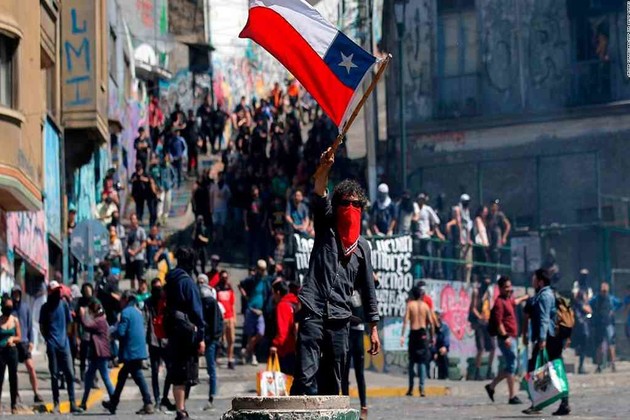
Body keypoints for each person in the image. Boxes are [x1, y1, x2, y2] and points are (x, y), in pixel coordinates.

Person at [291, 148, 380, 396]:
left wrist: (373, 327)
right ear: (336, 205)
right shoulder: (326, 226)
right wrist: (324, 167)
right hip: (313, 307)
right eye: (345, 203)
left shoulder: (362, 247)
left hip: (341, 316)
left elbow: (368, 290)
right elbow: (319, 190)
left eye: (355, 204)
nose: (350, 208)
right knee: (305, 376)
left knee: (332, 382)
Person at [164, 247, 206, 420]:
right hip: (188, 333)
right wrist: (201, 336)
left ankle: (180, 408)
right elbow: (197, 311)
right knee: (185, 373)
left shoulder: (170, 280)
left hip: (173, 330)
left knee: (177, 373)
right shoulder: (187, 282)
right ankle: (181, 410)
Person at [523, 269, 569, 416]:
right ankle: (561, 402)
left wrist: (542, 339)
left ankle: (538, 404)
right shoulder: (547, 294)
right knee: (554, 368)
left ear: (540, 281)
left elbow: (544, 319)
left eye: (534, 279)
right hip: (552, 337)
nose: (532, 281)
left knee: (534, 369)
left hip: (548, 338)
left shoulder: (544, 296)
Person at [103, 291, 154, 415]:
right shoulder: (137, 312)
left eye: (121, 299)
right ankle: (113, 403)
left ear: (126, 299)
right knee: (122, 376)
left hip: (131, 351)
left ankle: (148, 402)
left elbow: (121, 332)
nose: (120, 302)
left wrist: (112, 334)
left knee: (138, 376)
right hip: (138, 349)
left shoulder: (125, 312)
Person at [39, 281, 83, 413]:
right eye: (55, 291)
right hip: (52, 345)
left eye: (59, 290)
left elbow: (70, 323)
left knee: (70, 373)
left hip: (64, 345)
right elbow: (42, 327)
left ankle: (72, 403)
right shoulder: (45, 308)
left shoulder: (64, 305)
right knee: (54, 375)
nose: (58, 293)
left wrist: (67, 337)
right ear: (50, 293)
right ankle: (56, 403)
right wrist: (48, 339)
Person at [484, 276, 528, 405]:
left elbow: (515, 302)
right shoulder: (499, 302)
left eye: (510, 286)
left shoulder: (507, 300)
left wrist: (525, 297)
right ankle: (512, 396)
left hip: (512, 337)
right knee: (512, 365)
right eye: (506, 287)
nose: (509, 289)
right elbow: (499, 323)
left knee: (511, 365)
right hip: (507, 338)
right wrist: (505, 337)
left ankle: (491, 386)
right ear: (500, 288)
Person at [145, 278, 176, 412]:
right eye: (155, 288)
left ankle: (164, 397)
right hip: (153, 340)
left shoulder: (166, 301)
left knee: (170, 369)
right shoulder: (148, 302)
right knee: (154, 371)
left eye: (159, 288)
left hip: (165, 340)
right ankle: (157, 398)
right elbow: (145, 320)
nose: (158, 291)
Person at [79, 299, 115, 411]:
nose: (89, 313)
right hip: (96, 353)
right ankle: (83, 403)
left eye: (89, 311)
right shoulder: (100, 320)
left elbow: (87, 326)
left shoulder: (100, 321)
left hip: (101, 354)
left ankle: (114, 400)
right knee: (89, 378)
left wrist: (82, 315)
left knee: (105, 377)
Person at [10, 286, 43, 404]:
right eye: (14, 293)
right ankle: (15, 394)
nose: (16, 295)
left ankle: (36, 393)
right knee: (14, 371)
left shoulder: (25, 307)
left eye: (18, 293)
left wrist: (32, 341)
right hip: (13, 343)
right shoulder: (9, 309)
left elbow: (30, 325)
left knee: (31, 367)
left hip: (24, 342)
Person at [401, 286, 433, 397]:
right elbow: (431, 322)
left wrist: (402, 336)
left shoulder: (410, 305)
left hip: (414, 333)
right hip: (423, 334)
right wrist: (432, 337)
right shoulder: (425, 306)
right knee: (422, 362)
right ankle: (422, 388)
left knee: (412, 361)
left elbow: (405, 321)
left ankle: (411, 388)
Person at [238, 260, 271, 365]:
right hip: (251, 309)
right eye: (261, 269)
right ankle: (252, 355)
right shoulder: (252, 279)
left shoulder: (265, 280)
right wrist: (245, 296)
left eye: (264, 269)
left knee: (260, 332)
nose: (263, 271)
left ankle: (246, 350)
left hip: (260, 310)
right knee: (250, 333)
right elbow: (240, 285)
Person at [341, 290, 368, 419]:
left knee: (360, 374)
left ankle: (364, 406)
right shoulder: (345, 288)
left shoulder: (362, 289)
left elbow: (374, 284)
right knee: (344, 373)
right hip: (347, 334)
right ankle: (345, 406)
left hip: (358, 335)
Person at [200, 281, 223, 410]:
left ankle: (211, 397)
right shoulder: (211, 303)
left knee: (211, 369)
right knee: (210, 369)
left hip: (209, 340)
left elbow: (215, 324)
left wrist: (211, 338)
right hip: (209, 339)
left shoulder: (210, 303)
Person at [590, 282, 622, 373]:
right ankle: (599, 366)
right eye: (602, 291)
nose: (604, 293)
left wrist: (613, 310)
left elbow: (619, 303)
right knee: (599, 346)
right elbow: (589, 304)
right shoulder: (596, 299)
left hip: (608, 324)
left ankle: (613, 365)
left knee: (611, 345)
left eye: (605, 291)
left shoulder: (611, 299)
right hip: (599, 325)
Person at [469, 276, 496, 380]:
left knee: (492, 347)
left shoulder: (488, 293)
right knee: (480, 348)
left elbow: (489, 306)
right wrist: (480, 317)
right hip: (479, 323)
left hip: (487, 322)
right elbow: (473, 308)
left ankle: (489, 370)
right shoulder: (476, 292)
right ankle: (477, 371)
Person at [270, 281, 298, 375]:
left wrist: (275, 345)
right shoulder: (295, 302)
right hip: (297, 347)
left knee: (285, 378)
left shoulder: (282, 305)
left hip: (286, 349)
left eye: (273, 293)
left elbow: (283, 330)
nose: (273, 297)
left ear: (278, 292)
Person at [0, 297, 21, 414]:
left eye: (10, 306)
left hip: (12, 351)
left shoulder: (15, 320)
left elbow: (19, 337)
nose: (9, 308)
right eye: (7, 306)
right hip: (1, 351)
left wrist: (13, 338)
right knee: (0, 378)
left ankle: (14, 404)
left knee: (13, 378)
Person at [415, 193, 442, 278]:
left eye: (423, 199)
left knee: (428, 255)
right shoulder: (415, 208)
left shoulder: (427, 209)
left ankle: (429, 274)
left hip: (426, 236)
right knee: (419, 256)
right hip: (417, 236)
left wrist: (432, 231)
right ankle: (421, 275)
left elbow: (436, 221)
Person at [216, 271, 236, 369]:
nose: (225, 279)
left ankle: (230, 359)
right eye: (223, 277)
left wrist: (234, 318)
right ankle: (216, 358)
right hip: (221, 318)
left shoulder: (230, 289)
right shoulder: (217, 289)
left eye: (226, 277)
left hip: (230, 317)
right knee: (219, 339)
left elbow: (233, 305)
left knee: (231, 339)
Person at [572, 290, 592, 374]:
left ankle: (581, 366)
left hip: (577, 329)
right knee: (583, 348)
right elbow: (589, 310)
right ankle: (580, 367)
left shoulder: (575, 304)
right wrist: (587, 302)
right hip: (582, 329)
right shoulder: (580, 304)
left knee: (582, 348)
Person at [487, 199, 511, 268]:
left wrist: (504, 237)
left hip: (497, 236)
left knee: (497, 254)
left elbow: (508, 225)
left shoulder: (499, 215)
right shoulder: (489, 215)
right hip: (490, 236)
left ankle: (498, 270)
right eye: (493, 205)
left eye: (495, 205)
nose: (494, 207)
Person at [126, 213, 147, 290]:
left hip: (139, 256)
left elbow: (144, 244)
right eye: (131, 219)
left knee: (140, 277)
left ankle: (141, 291)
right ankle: (133, 291)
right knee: (131, 277)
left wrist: (135, 252)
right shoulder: (129, 232)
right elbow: (127, 244)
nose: (133, 221)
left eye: (134, 219)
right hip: (131, 257)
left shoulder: (141, 230)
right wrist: (129, 251)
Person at [210, 173, 231, 243]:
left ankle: (221, 239)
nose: (221, 178)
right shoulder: (213, 186)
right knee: (215, 225)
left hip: (223, 208)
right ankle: (214, 239)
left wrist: (224, 196)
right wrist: (211, 207)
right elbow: (211, 197)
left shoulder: (226, 186)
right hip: (215, 208)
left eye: (222, 176)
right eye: (220, 176)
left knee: (222, 225)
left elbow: (229, 196)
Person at [158, 153, 177, 225]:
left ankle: (165, 217)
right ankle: (159, 217)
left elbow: (174, 176)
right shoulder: (160, 167)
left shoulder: (170, 167)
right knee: (160, 202)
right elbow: (158, 177)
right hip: (161, 188)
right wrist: (159, 185)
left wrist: (172, 183)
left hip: (168, 187)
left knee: (167, 202)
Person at [432, 310, 451, 380]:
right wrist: (434, 351)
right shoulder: (430, 327)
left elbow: (446, 338)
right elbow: (430, 341)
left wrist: (445, 347)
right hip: (431, 349)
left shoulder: (444, 327)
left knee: (444, 355)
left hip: (440, 348)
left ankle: (445, 376)